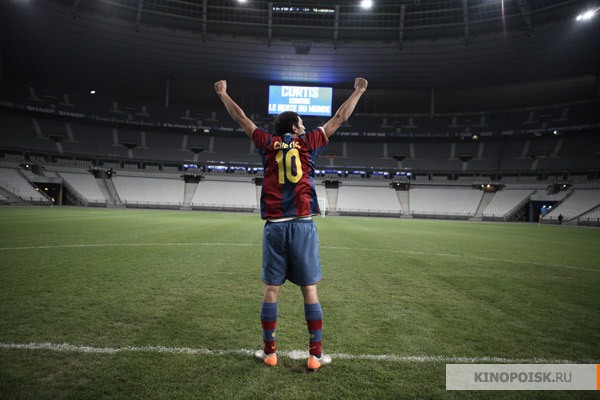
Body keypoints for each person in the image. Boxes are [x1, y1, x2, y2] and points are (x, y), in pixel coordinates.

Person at [215, 77, 368, 370]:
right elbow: (340, 117)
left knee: (271, 289)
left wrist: (223, 93)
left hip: (275, 226)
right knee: (309, 290)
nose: (305, 126)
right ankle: (315, 356)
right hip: (302, 224)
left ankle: (269, 352)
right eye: (301, 123)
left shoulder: (266, 143)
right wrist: (359, 91)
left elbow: (240, 118)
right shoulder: (308, 143)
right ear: (295, 128)